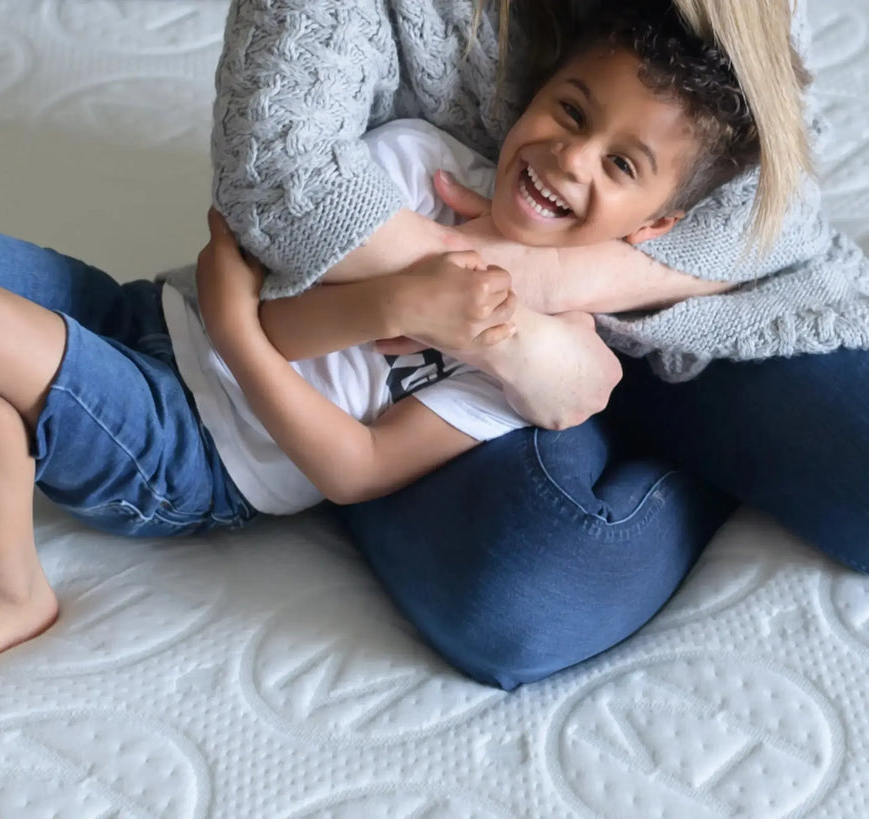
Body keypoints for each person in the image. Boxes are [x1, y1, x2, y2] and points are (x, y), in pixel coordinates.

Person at [0, 11, 757, 697]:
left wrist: (253, 325)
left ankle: (0, 583)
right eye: (569, 110)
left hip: (201, 451)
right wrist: (383, 301)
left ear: (658, 227)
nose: (571, 157)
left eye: (622, 166)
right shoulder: (415, 164)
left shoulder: (542, 361)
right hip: (154, 317)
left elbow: (357, 467)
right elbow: (279, 307)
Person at [203, 0, 869, 688]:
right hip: (425, 353)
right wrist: (490, 319)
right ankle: (684, 455)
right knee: (526, 601)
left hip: (672, 297)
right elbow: (281, 178)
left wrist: (540, 279)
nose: (574, 156)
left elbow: (782, 204)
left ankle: (668, 417)